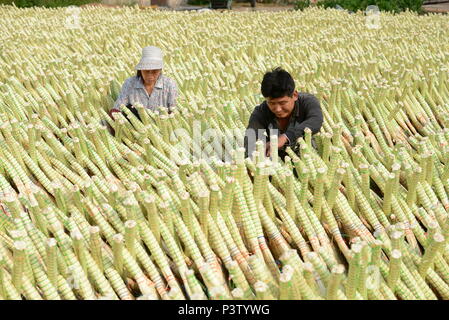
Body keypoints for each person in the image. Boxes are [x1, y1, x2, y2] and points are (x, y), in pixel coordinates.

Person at [244, 67, 323, 160]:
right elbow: (251, 136)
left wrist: (286, 137)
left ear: (294, 95)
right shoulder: (261, 111)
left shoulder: (307, 102)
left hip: (311, 157)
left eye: (282, 103)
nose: (277, 109)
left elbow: (316, 120)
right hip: (278, 162)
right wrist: (255, 154)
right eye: (272, 103)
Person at [109, 46, 178, 121]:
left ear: (160, 70)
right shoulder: (129, 83)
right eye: (146, 71)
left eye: (154, 71)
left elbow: (174, 110)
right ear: (141, 70)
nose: (150, 75)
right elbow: (118, 107)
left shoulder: (170, 84)